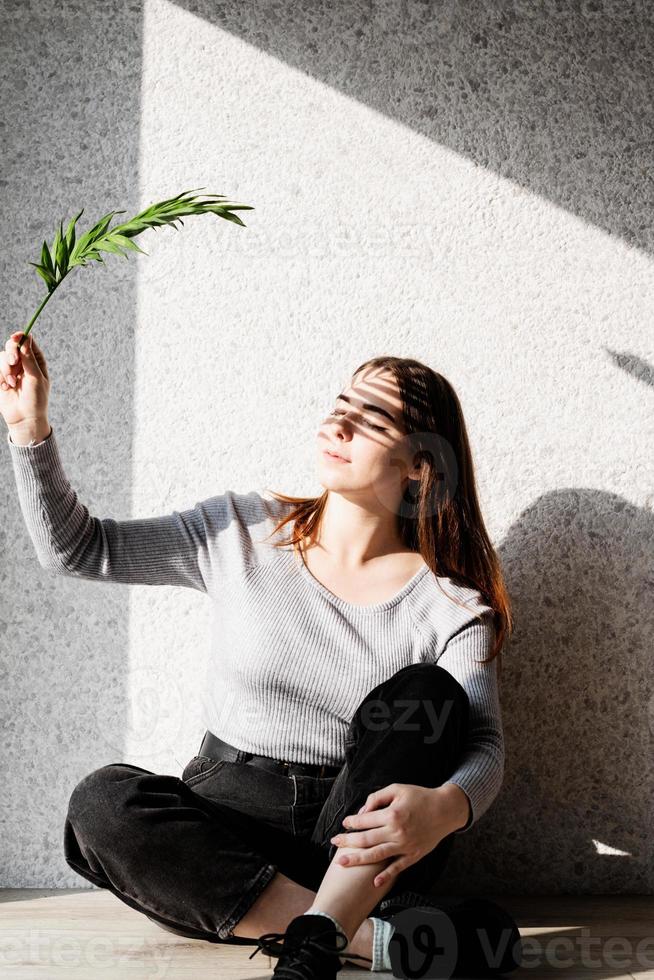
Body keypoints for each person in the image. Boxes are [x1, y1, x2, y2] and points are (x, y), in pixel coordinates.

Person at [1, 332, 515, 979]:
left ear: (421, 465)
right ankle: (345, 935)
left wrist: (446, 809)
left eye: (373, 415)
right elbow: (80, 549)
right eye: (341, 402)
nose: (341, 421)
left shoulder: (451, 606)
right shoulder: (241, 529)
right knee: (101, 804)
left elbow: (484, 747)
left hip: (357, 835)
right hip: (226, 828)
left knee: (428, 695)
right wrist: (29, 429)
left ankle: (324, 928)